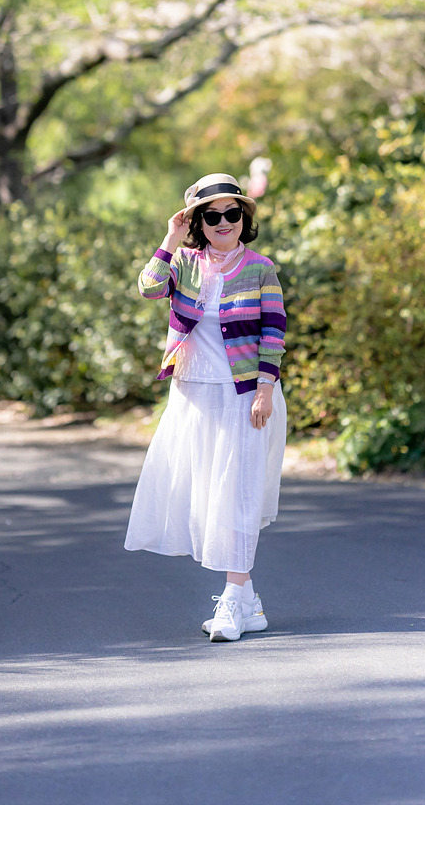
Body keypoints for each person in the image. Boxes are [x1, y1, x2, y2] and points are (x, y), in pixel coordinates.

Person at [124, 172, 287, 642]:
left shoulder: (261, 269)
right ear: (198, 222)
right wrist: (171, 237)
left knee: (237, 494)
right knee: (207, 497)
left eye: (231, 213)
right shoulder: (184, 263)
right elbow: (149, 287)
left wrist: (264, 388)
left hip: (244, 396)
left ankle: (233, 599)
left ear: (243, 218)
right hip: (192, 395)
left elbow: (274, 333)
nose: (223, 222)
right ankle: (249, 603)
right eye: (211, 216)